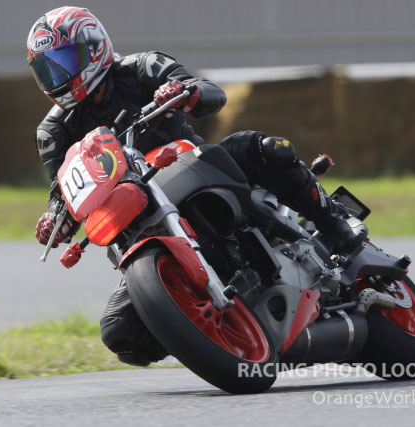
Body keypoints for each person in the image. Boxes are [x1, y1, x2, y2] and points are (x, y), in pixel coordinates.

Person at [27, 6, 367, 366]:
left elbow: (209, 92)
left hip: (192, 165)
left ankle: (333, 222)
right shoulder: (53, 131)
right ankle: (213, 332)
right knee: (121, 333)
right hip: (135, 216)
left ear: (94, 47)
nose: (58, 76)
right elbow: (62, 187)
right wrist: (56, 217)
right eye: (48, 69)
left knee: (265, 149)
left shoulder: (142, 66)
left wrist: (184, 91)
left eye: (64, 62)